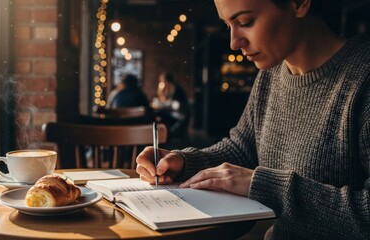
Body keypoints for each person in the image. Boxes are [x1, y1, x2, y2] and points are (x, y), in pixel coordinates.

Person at [136, 0, 370, 239]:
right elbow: (242, 149)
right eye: (228, 26)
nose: (234, 43)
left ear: (299, 4)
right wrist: (184, 162)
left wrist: (263, 186)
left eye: (246, 22)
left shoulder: (363, 78)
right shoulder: (270, 75)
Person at [152, 72, 190, 138]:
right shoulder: (171, 88)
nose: (163, 83)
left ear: (167, 81)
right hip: (177, 113)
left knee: (161, 113)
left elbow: (176, 106)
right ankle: (164, 134)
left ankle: (165, 134)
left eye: (163, 81)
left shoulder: (176, 89)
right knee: (160, 113)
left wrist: (164, 105)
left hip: (181, 115)